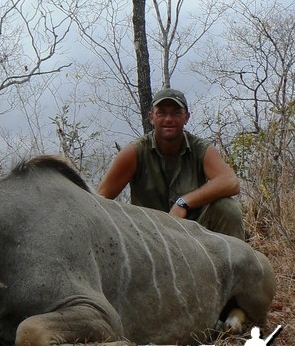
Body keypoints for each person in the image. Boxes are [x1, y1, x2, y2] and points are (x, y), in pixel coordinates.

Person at [97, 88, 245, 240]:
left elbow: (230, 182)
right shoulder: (135, 152)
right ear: (151, 117)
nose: (169, 119)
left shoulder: (200, 149)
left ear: (186, 117)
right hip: (149, 238)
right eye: (161, 112)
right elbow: (99, 200)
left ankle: (237, 262)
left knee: (228, 208)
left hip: (194, 235)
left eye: (176, 112)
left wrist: (183, 203)